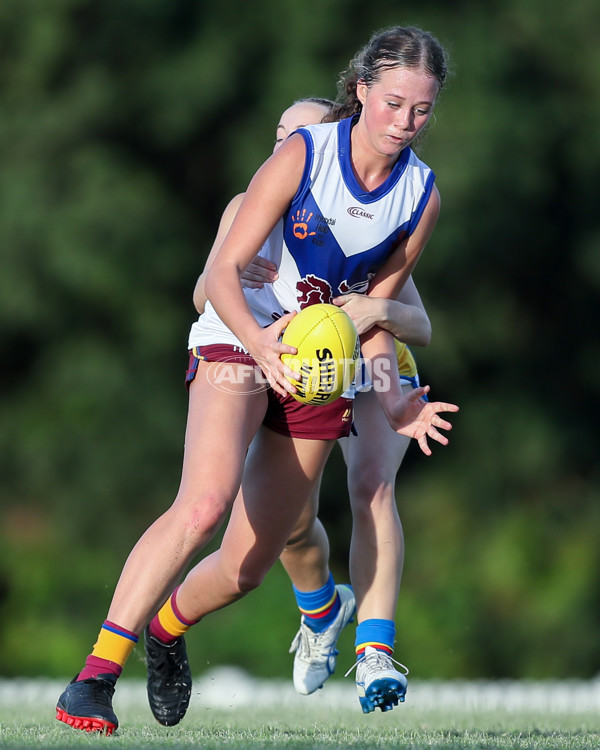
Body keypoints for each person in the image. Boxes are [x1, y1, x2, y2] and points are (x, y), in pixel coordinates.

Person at [55, 25, 456, 734]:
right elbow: (215, 279)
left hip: (317, 370)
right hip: (241, 341)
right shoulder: (304, 155)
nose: (404, 123)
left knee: (246, 565)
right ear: (360, 90)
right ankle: (94, 676)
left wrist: (394, 400)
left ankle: (168, 631)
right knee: (204, 504)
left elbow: (379, 315)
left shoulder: (419, 195)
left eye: (420, 110)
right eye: (393, 103)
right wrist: (259, 343)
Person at [191, 98, 434, 713]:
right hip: (286, 364)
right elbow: (203, 294)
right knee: (288, 520)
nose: (284, 149)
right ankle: (321, 607)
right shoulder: (250, 208)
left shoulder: (369, 220)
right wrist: (247, 285)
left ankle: (375, 651)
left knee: (372, 488)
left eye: (298, 138)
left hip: (372, 362)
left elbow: (416, 324)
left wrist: (377, 314)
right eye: (278, 135)